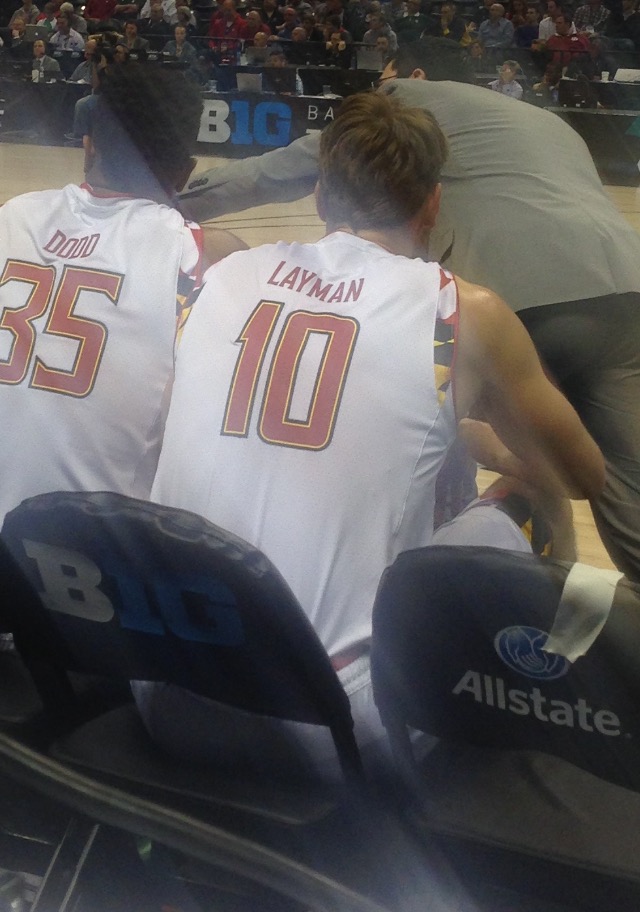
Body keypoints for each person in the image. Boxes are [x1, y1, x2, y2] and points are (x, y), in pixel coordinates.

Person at [144, 90, 603, 774]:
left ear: (323, 195)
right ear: (433, 204)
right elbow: (581, 473)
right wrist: (483, 442)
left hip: (162, 688)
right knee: (534, 491)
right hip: (330, 724)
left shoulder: (225, 273)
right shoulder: (460, 311)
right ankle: (549, 702)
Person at [178, 37, 640, 585]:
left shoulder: (407, 104)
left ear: (411, 75)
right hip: (623, 290)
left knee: (453, 444)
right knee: (625, 490)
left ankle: (483, 618)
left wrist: (166, 197)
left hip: (519, 299)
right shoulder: (544, 121)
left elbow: (272, 172)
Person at [0, 61, 244, 527]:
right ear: (185, 171)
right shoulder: (197, 257)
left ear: (88, 145)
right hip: (84, 560)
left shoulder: (12, 215)